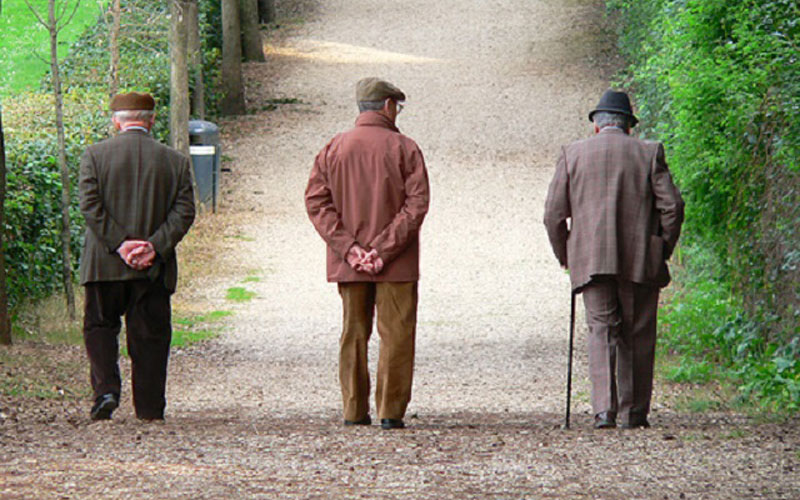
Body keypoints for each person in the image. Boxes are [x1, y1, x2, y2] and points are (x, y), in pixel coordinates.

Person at [543, 90, 684, 429]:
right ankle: (633, 412)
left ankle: (604, 411)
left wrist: (567, 254)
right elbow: (673, 207)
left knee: (601, 330)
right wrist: (661, 247)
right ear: (629, 127)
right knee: (637, 331)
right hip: (639, 260)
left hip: (591, 259)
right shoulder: (648, 153)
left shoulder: (572, 154)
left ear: (596, 126)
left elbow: (553, 215)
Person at [305, 78, 430, 430]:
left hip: (350, 264)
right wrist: (383, 249)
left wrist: (351, 249)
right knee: (397, 333)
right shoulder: (405, 148)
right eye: (397, 107)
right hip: (398, 262)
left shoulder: (333, 148)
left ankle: (353, 410)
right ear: (388, 106)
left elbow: (317, 202)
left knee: (353, 333)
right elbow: (417, 203)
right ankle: (390, 411)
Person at [79, 92, 195, 421]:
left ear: (116, 121)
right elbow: (184, 211)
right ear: (152, 119)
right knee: (150, 336)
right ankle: (149, 407)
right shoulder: (175, 161)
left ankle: (105, 391)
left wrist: (120, 244)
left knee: (100, 327)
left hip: (104, 264)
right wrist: (153, 247)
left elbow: (90, 205)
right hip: (152, 269)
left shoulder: (94, 156)